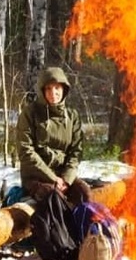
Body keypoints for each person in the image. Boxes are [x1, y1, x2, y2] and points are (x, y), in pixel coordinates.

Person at [16, 66, 90, 204]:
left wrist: (67, 179)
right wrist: (53, 179)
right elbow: (25, 151)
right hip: (36, 178)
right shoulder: (29, 113)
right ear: (42, 90)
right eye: (48, 88)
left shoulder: (72, 116)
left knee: (83, 193)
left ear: (64, 89)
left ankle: (84, 225)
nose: (53, 93)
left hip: (63, 176)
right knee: (54, 198)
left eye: (57, 88)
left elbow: (76, 152)